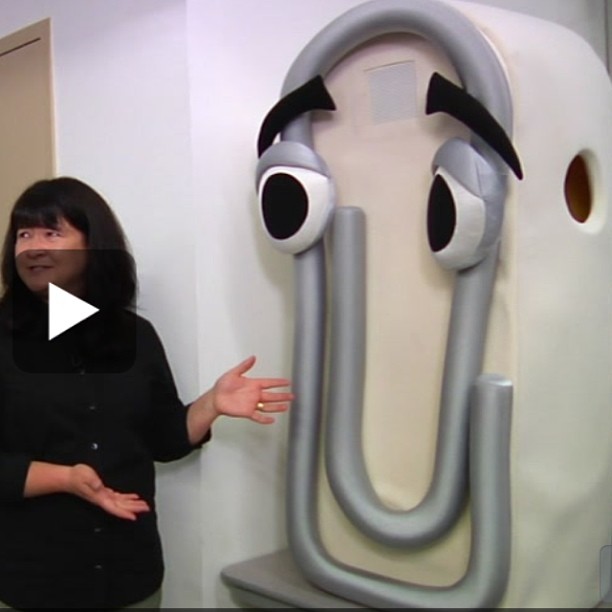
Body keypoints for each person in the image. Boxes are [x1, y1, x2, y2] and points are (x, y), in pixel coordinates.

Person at [0, 177, 292, 610]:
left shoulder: (135, 335)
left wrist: (211, 404)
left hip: (130, 577)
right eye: (24, 235)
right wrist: (64, 479)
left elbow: (163, 439)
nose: (33, 248)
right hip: (34, 583)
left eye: (52, 232)